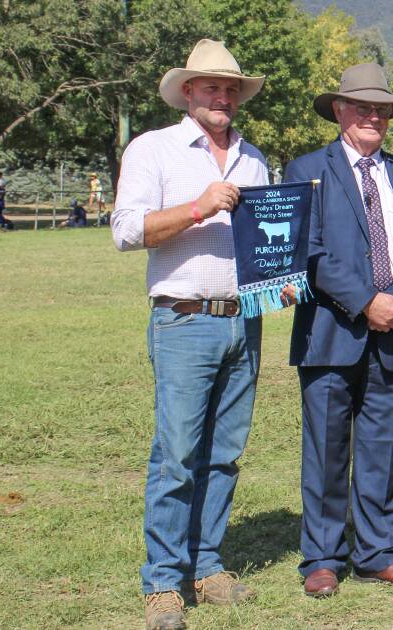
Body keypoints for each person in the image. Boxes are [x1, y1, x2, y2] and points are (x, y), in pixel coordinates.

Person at [111, 39, 269, 630]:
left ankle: (207, 567)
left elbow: (264, 242)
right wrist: (199, 207)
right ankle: (163, 584)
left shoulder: (254, 160)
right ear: (187, 93)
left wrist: (279, 281)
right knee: (176, 455)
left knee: (225, 455)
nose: (222, 97)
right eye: (211, 87)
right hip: (182, 319)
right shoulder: (153, 149)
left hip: (243, 319)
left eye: (230, 89)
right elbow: (127, 231)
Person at [284, 63, 393, 598]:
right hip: (331, 333)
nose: (373, 117)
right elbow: (309, 250)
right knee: (327, 449)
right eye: (362, 107)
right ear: (339, 111)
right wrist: (365, 301)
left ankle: (378, 552)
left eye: (382, 110)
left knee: (383, 450)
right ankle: (324, 558)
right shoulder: (306, 170)